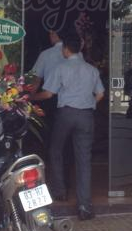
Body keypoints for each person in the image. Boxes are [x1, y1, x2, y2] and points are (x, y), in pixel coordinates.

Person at [30, 34, 104, 220]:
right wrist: (90, 104)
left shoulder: (61, 67)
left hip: (66, 114)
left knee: (55, 150)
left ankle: (60, 191)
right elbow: (100, 94)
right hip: (86, 116)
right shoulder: (91, 70)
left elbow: (48, 94)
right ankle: (85, 206)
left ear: (65, 49)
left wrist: (30, 98)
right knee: (84, 160)